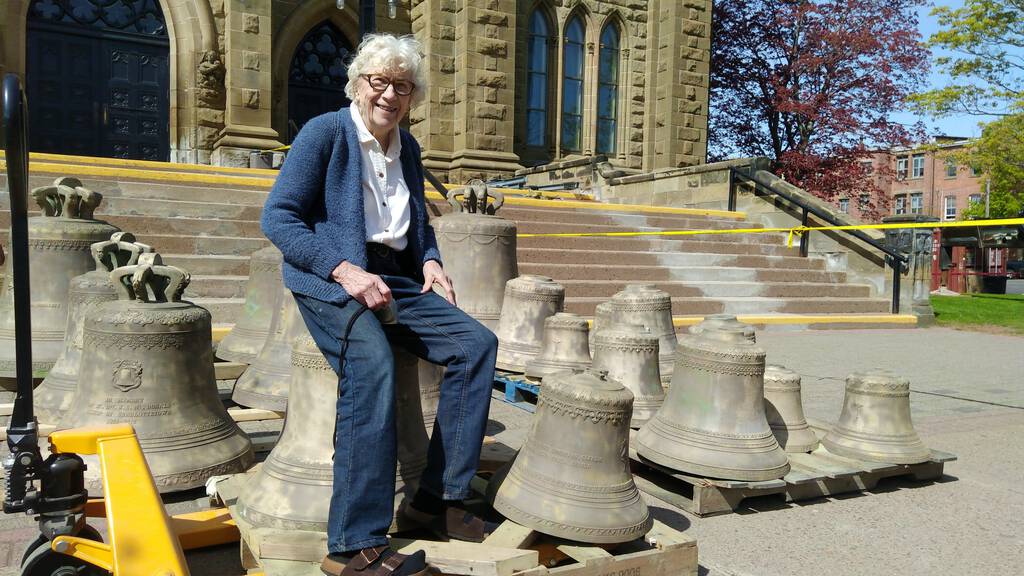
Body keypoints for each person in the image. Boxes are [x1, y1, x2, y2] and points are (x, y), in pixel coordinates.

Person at [261, 33, 498, 576]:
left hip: (396, 277)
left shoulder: (407, 149)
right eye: (379, 82)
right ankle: (353, 547)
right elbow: (278, 218)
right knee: (373, 367)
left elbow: (418, 226)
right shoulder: (325, 133)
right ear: (358, 84)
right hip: (332, 278)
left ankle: (433, 502)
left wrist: (432, 262)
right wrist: (344, 271)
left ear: (412, 96)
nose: (390, 95)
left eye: (403, 86)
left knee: (476, 346)